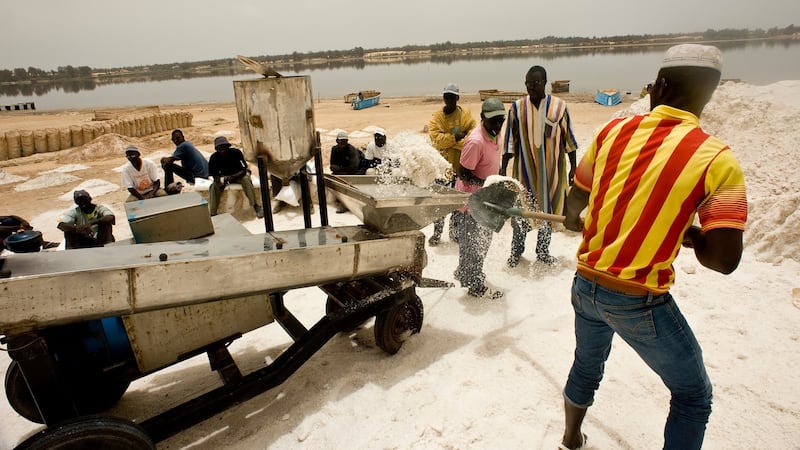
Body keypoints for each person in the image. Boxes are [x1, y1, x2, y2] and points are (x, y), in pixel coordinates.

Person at [559, 44, 747, 450]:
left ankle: (571, 439)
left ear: (659, 85)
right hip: (637, 298)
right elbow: (724, 260)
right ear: (708, 96)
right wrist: (693, 234)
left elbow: (574, 207)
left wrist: (586, 217)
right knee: (693, 395)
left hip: (585, 285)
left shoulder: (613, 132)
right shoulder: (715, 157)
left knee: (587, 365)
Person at [501, 65, 578, 267]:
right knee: (521, 211)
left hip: (551, 173)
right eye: (527, 83)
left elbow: (569, 139)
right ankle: (516, 252)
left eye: (534, 83)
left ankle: (543, 252)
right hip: (524, 172)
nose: (530, 87)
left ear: (544, 82)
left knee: (547, 212)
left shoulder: (559, 107)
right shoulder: (517, 108)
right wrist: (502, 169)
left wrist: (573, 167)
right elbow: (510, 140)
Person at [454, 98, 505, 300]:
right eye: (493, 121)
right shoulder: (475, 142)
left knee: (482, 241)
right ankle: (474, 284)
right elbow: (463, 173)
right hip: (472, 201)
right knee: (474, 243)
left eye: (501, 120)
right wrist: (487, 183)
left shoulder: (496, 133)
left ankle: (464, 272)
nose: (498, 125)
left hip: (487, 196)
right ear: (483, 118)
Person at [428, 82, 476, 246]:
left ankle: (454, 233)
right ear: (443, 98)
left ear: (457, 98)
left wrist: (448, 140)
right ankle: (437, 233)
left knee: (457, 203)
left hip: (460, 167)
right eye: (446, 97)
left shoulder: (465, 115)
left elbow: (471, 138)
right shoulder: (437, 118)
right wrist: (455, 138)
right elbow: (436, 140)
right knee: (439, 204)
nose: (449, 100)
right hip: (442, 168)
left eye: (452, 97)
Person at [208, 136, 264, 218]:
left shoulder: (236, 153)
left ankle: (256, 206)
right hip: (224, 178)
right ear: (216, 149)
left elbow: (244, 170)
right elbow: (214, 175)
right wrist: (220, 179)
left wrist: (232, 177)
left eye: (224, 146)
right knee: (213, 187)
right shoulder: (214, 158)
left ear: (228, 146)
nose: (223, 149)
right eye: (220, 147)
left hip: (238, 176)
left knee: (246, 180)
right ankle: (213, 213)